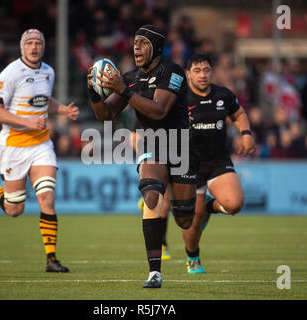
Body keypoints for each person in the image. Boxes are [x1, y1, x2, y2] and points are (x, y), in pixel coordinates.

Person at [87, 25, 197, 288]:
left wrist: (123, 90)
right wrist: (93, 90)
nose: (136, 47)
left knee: (184, 219)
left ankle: (205, 204)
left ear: (156, 48)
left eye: (143, 43)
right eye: (134, 43)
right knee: (151, 195)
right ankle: (155, 273)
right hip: (152, 143)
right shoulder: (131, 78)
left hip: (180, 144)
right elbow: (106, 116)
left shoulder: (172, 72)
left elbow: (159, 110)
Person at [0, 29, 79, 273]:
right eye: (29, 43)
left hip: (41, 145)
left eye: (38, 43)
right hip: (14, 147)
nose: (34, 47)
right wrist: (29, 122)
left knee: (46, 197)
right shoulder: (10, 74)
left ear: (43, 47)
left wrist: (63, 110)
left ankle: (51, 259)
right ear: (22, 47)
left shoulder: (48, 72)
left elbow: (43, 101)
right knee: (14, 209)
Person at [181, 53, 255, 273]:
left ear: (211, 72)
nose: (202, 75)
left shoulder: (223, 95)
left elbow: (239, 114)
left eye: (206, 70)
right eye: (197, 70)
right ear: (188, 74)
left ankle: (206, 208)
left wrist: (246, 133)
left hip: (217, 160)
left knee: (234, 205)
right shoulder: (179, 99)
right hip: (188, 165)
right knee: (192, 223)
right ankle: (193, 258)